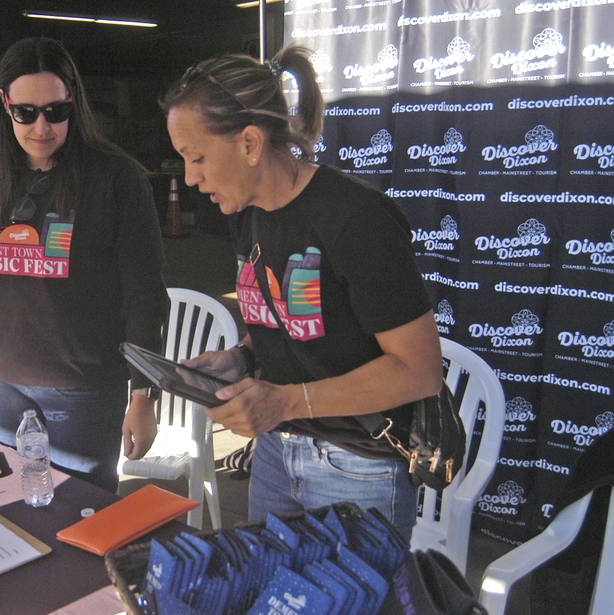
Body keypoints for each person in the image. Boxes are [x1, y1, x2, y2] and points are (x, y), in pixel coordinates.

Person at [163, 45, 442, 539]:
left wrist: (286, 402)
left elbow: (418, 372)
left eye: (198, 157)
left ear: (250, 143)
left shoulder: (356, 218)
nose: (189, 178)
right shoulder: (245, 214)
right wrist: (243, 361)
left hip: (357, 467)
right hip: (275, 452)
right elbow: (289, 325)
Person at [0, 37, 169, 493]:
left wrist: (144, 393)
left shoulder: (116, 177)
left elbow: (145, 294)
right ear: (4, 104)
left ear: (74, 103)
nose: (41, 127)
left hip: (84, 388)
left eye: (56, 112)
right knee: (15, 509)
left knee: (81, 519)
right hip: (2, 382)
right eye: (25, 112)